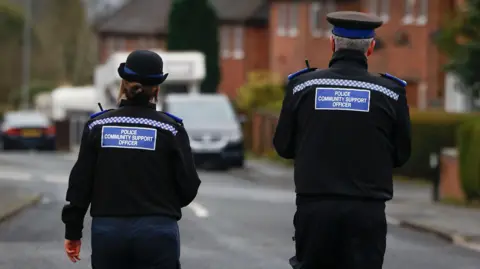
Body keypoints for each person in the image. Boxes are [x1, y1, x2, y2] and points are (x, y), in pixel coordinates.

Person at [273, 11, 411, 269]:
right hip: (366, 211)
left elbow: (283, 146)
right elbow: (402, 154)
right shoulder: (391, 93)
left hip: (315, 208)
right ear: (370, 48)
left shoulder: (302, 86)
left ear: (332, 43)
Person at [61, 50, 201, 269]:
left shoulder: (97, 127)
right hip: (158, 233)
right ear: (156, 88)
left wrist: (73, 231)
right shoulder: (171, 130)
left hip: (108, 233)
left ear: (123, 83)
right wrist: (163, 204)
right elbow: (189, 186)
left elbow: (80, 184)